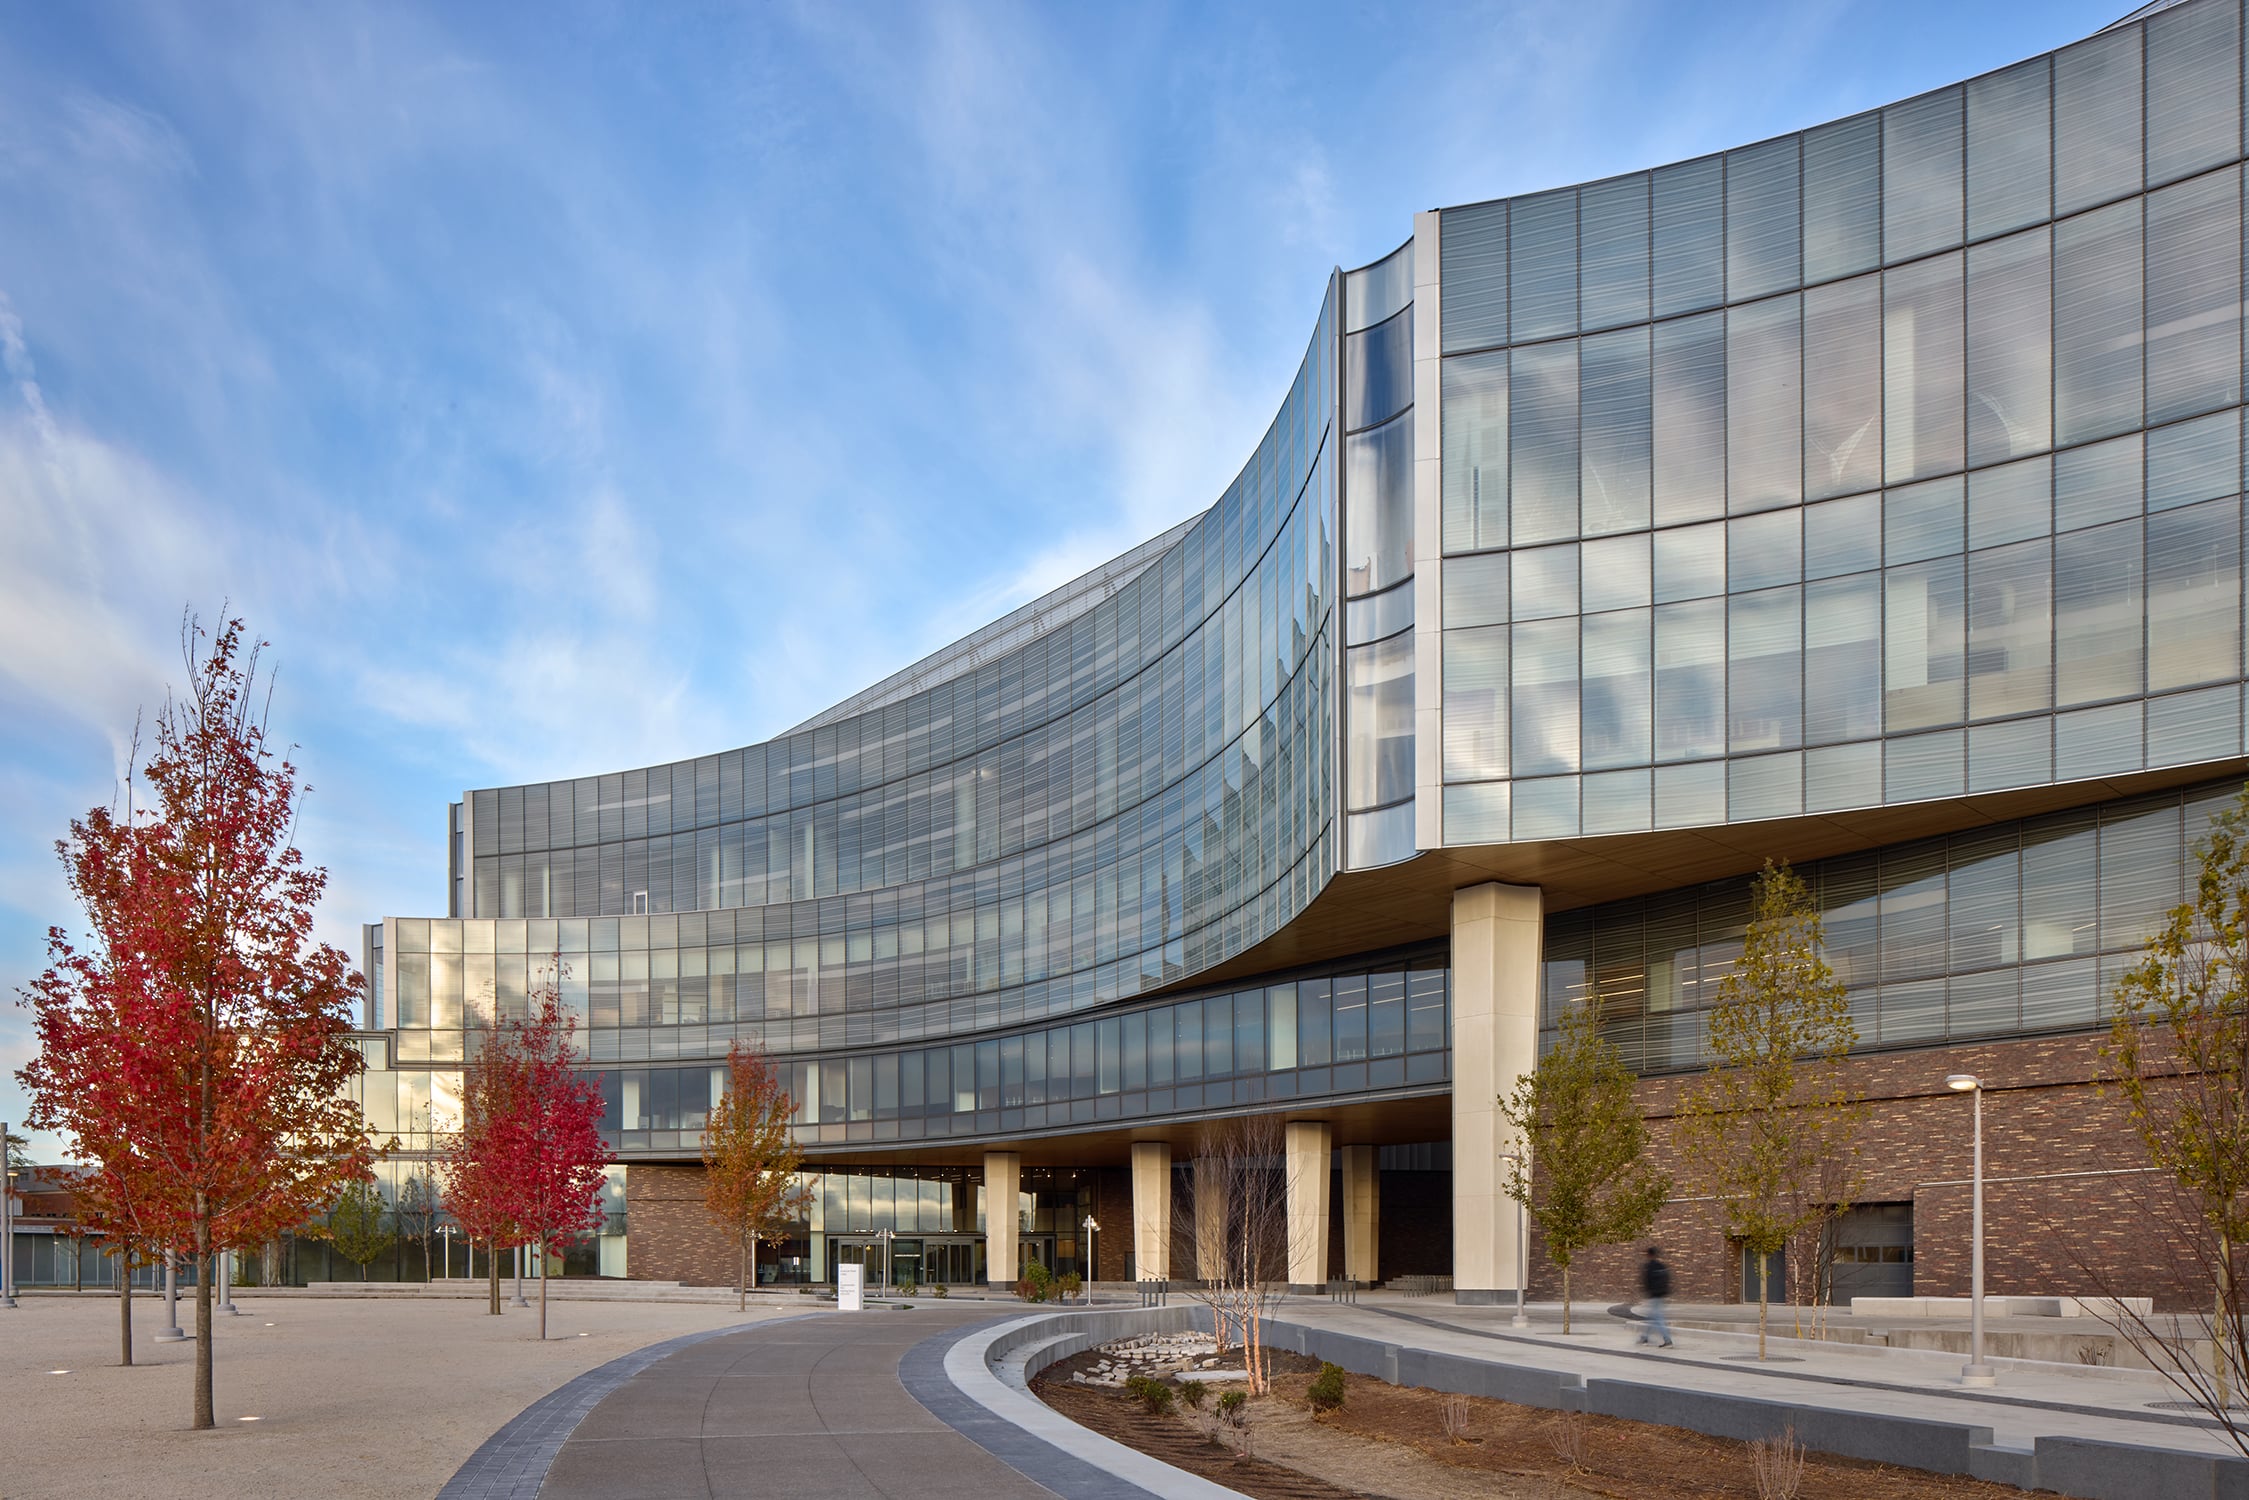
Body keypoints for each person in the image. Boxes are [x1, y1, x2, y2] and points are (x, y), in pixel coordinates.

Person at [1637, 1246, 1674, 1347]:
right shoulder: (1661, 1266)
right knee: (1652, 1316)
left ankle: (1667, 1340)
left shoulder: (1649, 1266)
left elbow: (1646, 1281)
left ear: (1649, 1255)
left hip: (1653, 1295)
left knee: (1657, 1318)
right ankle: (1644, 1337)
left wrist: (1647, 1293)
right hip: (1661, 1295)